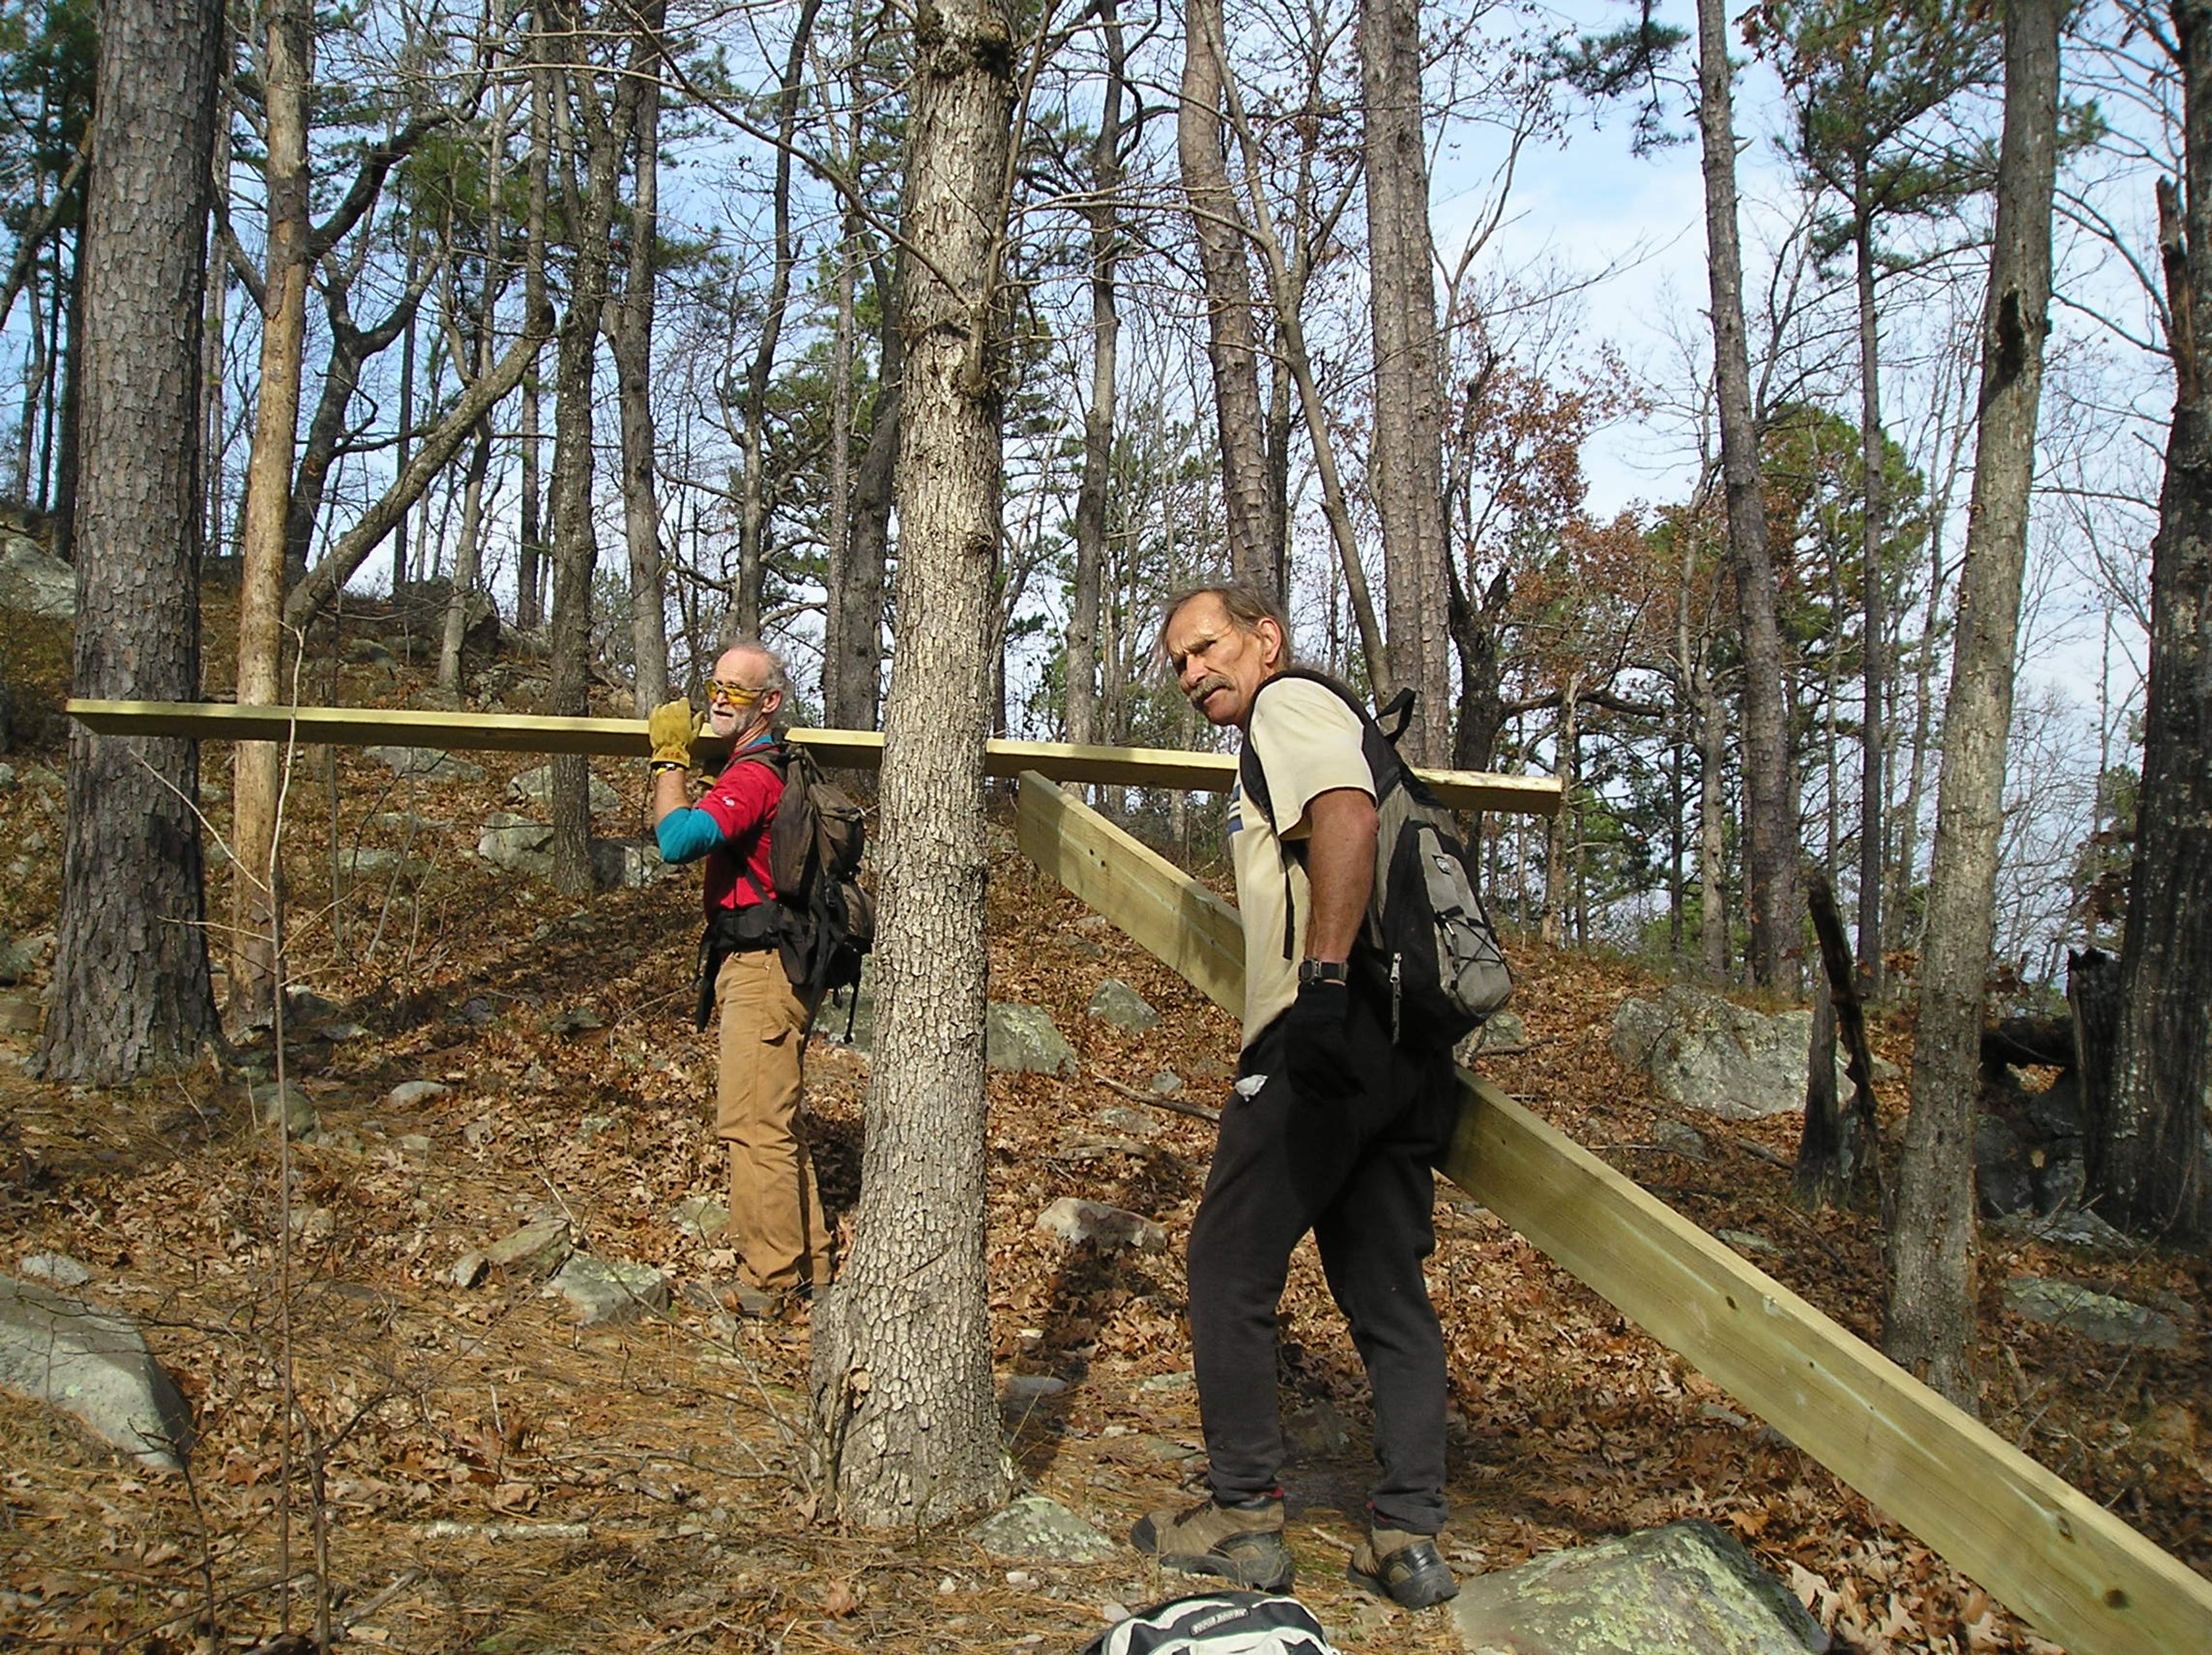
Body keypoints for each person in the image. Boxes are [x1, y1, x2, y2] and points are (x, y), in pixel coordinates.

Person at [1132, 583, 1459, 1609]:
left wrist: (1318, 987)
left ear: (1264, 638)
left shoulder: (1290, 704)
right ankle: (1407, 1538)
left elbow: (1346, 817)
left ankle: (1242, 1515)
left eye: (1208, 647)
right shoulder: (1316, 715)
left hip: (1333, 1032)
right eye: (1180, 662)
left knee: (1227, 1258)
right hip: (1408, 1053)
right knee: (1387, 1293)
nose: (1194, 674)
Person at [648, 642, 834, 1315]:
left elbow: (676, 843)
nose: (720, 699)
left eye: (737, 690)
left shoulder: (754, 775)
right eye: (715, 685)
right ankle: (811, 1265)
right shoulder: (760, 766)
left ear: (770, 703)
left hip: (762, 969)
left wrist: (670, 760)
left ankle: (771, 1281)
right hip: (769, 963)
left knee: (752, 1123)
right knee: (774, 1121)